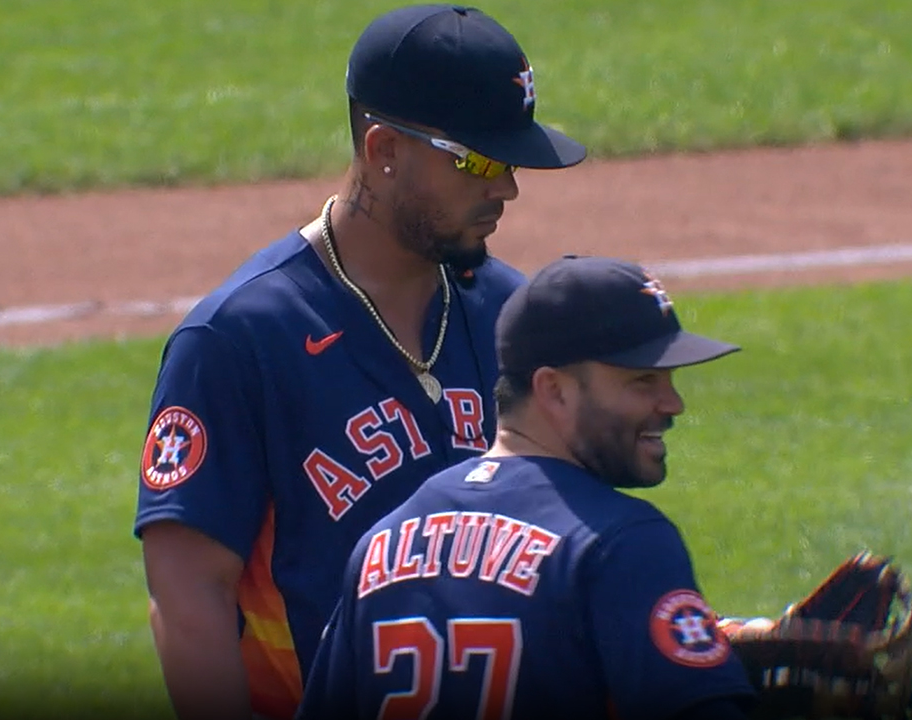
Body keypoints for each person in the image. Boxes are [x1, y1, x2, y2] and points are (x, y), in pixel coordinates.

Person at [133, 5, 587, 720]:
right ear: (383, 150)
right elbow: (190, 598)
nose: (506, 188)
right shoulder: (239, 341)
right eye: (478, 160)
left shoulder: (514, 317)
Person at [297, 255, 758, 720]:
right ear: (554, 390)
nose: (672, 403)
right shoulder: (619, 543)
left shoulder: (383, 543)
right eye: (643, 381)